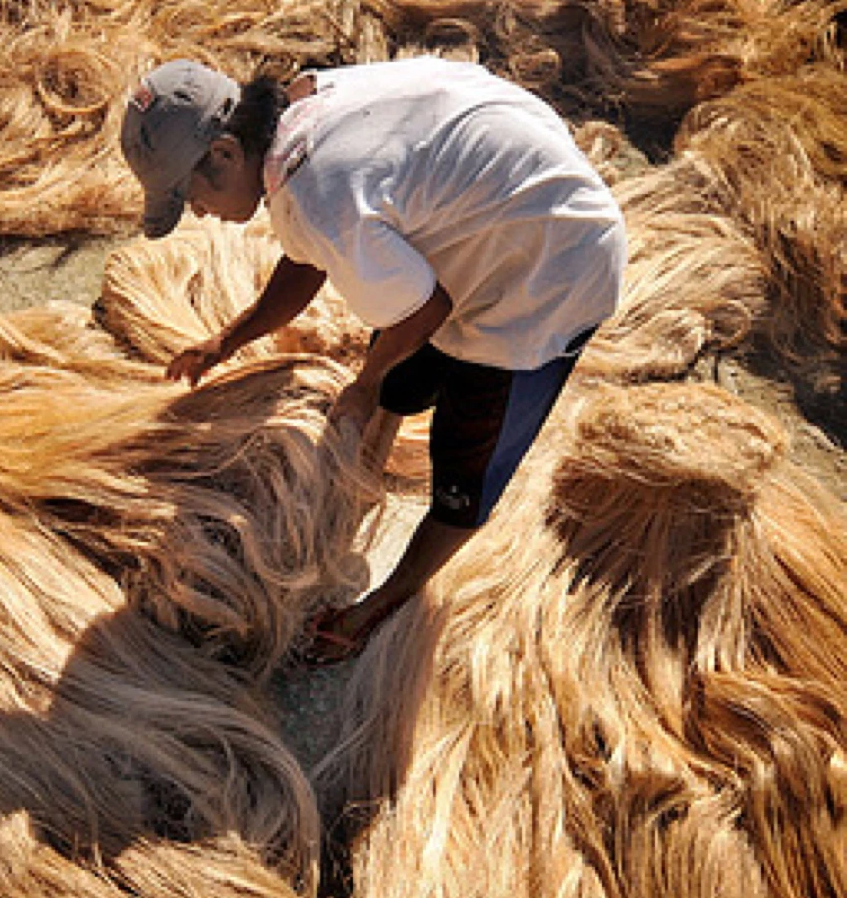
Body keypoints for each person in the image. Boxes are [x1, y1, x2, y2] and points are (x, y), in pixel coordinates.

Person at [119, 56, 626, 663]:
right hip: (497, 220)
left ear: (226, 153)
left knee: (465, 467)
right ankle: (370, 465)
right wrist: (228, 339)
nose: (197, 213)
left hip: (552, 271)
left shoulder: (319, 191)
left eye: (190, 195)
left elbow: (422, 312)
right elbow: (308, 257)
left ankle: (376, 609)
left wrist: (363, 384)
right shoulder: (304, 106)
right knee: (406, 381)